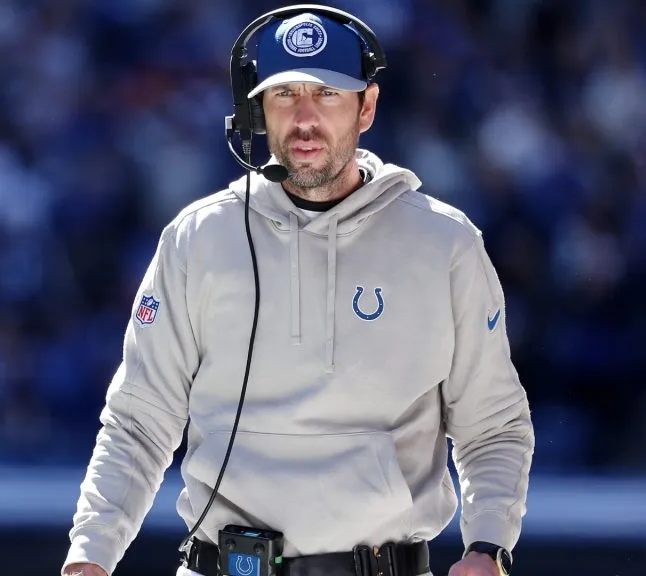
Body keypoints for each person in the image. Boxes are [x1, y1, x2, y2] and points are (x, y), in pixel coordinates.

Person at [63, 5, 534, 576]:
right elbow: (138, 421)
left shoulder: (446, 244)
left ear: (367, 107)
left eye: (327, 94)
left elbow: (494, 426)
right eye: (284, 95)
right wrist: (90, 554)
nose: (304, 118)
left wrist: (488, 547)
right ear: (254, 110)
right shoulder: (198, 238)